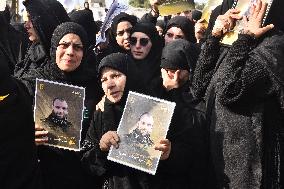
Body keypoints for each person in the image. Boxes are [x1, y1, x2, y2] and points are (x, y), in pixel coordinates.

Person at [193, 0, 284, 188]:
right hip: (215, 155)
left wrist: (246, 36)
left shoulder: (274, 47)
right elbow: (198, 86)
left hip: (247, 170)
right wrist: (215, 35)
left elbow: (230, 90)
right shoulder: (232, 41)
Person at [81, 53, 171, 189]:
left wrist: (167, 154)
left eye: (116, 76)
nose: (109, 84)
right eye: (104, 80)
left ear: (131, 75)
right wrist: (101, 148)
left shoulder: (156, 111)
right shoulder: (100, 114)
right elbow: (86, 164)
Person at [150, 39, 207, 188]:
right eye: (166, 69)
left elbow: (194, 135)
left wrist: (175, 92)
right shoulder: (154, 89)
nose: (170, 75)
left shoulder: (200, 96)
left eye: (176, 70)